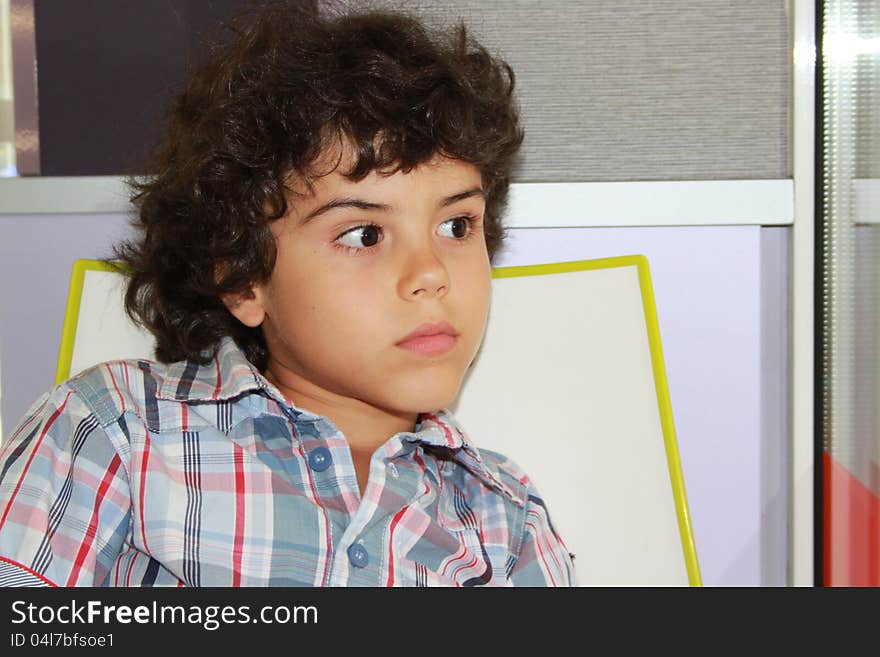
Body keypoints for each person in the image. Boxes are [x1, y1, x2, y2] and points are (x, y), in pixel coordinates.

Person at [0, 0, 575, 587]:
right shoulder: (118, 430)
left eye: (457, 226)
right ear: (243, 278)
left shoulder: (505, 522)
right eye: (364, 234)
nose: (431, 274)